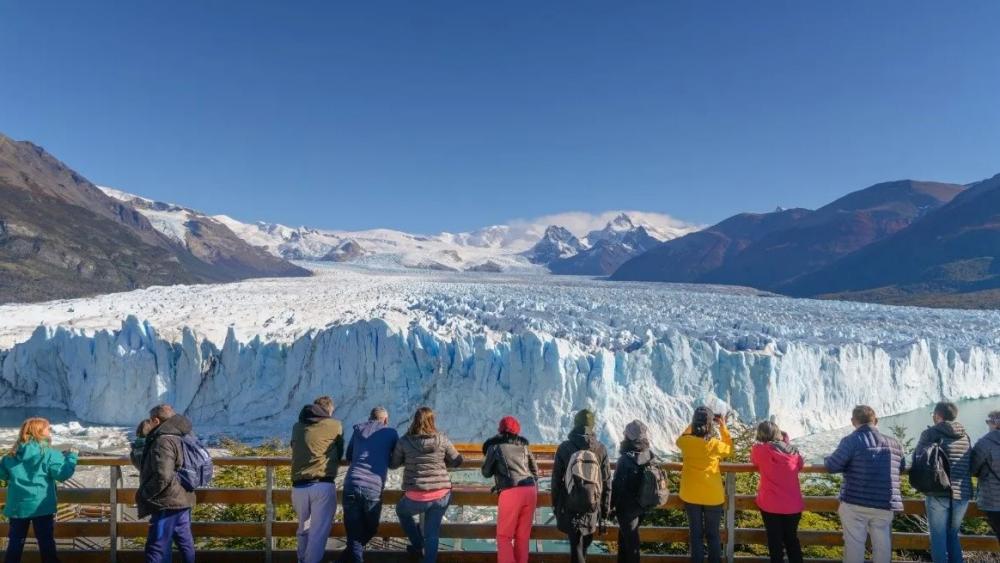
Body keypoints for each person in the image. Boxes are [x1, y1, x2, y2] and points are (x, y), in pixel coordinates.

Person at [824, 405, 905, 563]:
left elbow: (832, 465)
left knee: (854, 545)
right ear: (876, 421)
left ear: (853, 422)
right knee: (882, 546)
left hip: (855, 502)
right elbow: (900, 467)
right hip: (885, 502)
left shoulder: (851, 441)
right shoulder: (894, 443)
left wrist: (827, 459)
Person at [390, 406, 464, 562]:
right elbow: (458, 460)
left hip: (416, 496)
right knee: (432, 533)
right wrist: (442, 463)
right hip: (441, 494)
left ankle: (417, 544)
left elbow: (394, 463)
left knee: (402, 511)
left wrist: (409, 458)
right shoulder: (442, 439)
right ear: (432, 421)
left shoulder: (404, 441)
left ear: (415, 421)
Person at [0, 417, 78, 563]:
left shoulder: (12, 455)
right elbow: (62, 474)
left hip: (18, 507)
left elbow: (2, 473)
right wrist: (72, 457)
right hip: (42, 507)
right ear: (39, 432)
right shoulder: (49, 454)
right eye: (48, 429)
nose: (50, 431)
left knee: (15, 542)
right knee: (46, 542)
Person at [130, 404, 197, 563]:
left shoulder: (163, 440)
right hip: (183, 497)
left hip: (166, 500)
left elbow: (163, 475)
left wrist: (146, 494)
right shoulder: (183, 434)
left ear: (155, 420)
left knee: (157, 547)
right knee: (185, 542)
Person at [551, 409, 612, 563]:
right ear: (593, 426)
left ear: (575, 424)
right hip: (593, 505)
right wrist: (604, 514)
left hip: (570, 505)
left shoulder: (565, 447)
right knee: (584, 546)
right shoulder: (601, 449)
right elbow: (606, 483)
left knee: (576, 547)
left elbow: (556, 481)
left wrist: (556, 507)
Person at [914, 401, 972, 563]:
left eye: (933, 413)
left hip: (939, 491)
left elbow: (919, 459)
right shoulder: (964, 435)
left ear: (938, 416)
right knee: (953, 534)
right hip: (962, 492)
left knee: (938, 537)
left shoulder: (930, 434)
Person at [339, 406, 399, 563]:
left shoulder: (358, 430)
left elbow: (349, 455)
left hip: (352, 483)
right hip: (373, 487)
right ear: (385, 420)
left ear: (370, 418)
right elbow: (395, 460)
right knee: (371, 529)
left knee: (353, 534)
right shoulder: (391, 433)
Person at [290, 396, 344, 563]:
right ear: (328, 410)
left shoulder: (297, 426)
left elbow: (294, 446)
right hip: (322, 484)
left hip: (298, 486)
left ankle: (301, 559)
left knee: (303, 529)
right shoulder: (334, 425)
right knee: (318, 533)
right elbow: (340, 450)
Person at [676, 406, 733, 563]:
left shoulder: (685, 442)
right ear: (710, 425)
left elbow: (680, 438)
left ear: (694, 423)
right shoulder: (714, 444)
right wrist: (722, 426)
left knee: (696, 534)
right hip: (713, 496)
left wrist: (694, 423)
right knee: (713, 534)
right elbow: (729, 448)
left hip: (691, 494)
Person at [481, 415, 539, 563]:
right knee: (522, 537)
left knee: (504, 537)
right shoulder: (524, 447)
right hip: (530, 490)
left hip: (510, 492)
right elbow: (535, 471)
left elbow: (486, 472)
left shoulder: (495, 447)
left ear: (500, 430)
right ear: (517, 431)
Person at [750, 421, 804, 563]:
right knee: (792, 540)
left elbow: (753, 459)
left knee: (775, 542)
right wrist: (784, 441)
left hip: (770, 505)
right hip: (793, 506)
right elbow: (800, 465)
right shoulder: (793, 451)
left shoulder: (760, 450)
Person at [610, 419, 655, 563]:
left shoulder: (625, 459)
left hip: (626, 508)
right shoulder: (648, 454)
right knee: (624, 540)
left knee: (631, 544)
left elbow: (617, 486)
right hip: (642, 505)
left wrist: (609, 506)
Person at [971, 410, 1000, 542]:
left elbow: (972, 467)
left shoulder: (984, 443)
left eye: (988, 421)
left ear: (995, 423)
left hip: (993, 501)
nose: (987, 425)